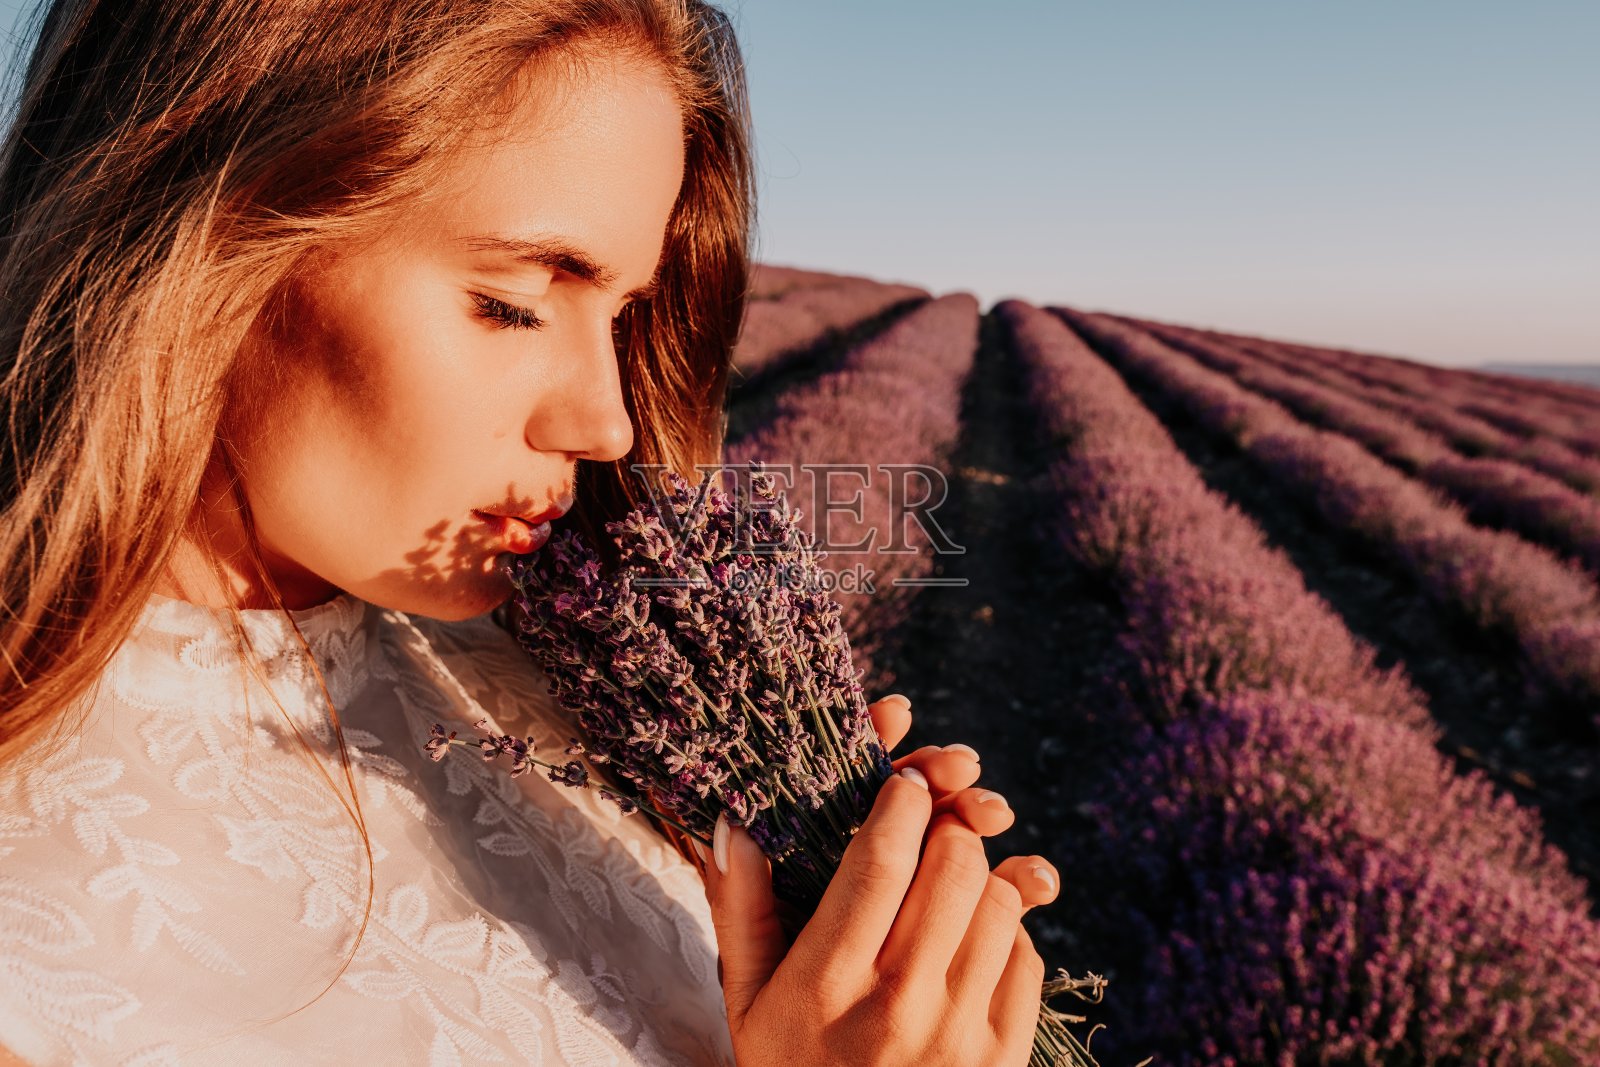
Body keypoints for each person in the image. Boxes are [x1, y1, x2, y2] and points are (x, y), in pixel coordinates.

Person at [0, 0, 1061, 1063]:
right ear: (194, 239)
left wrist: (840, 919)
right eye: (512, 303)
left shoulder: (592, 705)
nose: (606, 422)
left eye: (626, 314)